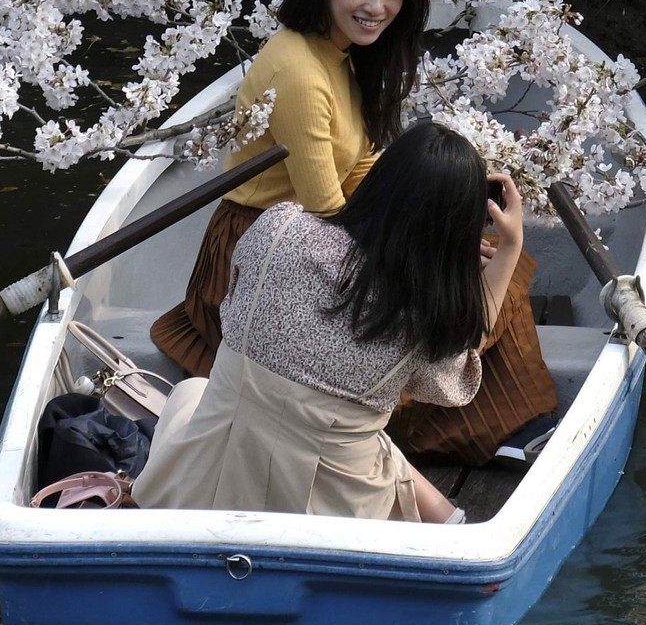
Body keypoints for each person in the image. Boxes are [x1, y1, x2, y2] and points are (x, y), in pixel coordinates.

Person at [150, 0, 557, 466]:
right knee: (483, 281)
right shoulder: (299, 70)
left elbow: (362, 166)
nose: (378, 8)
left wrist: (442, 228)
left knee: (494, 261)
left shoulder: (340, 55)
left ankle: (511, 419)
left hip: (328, 233)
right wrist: (430, 248)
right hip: (282, 253)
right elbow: (326, 208)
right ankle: (488, 425)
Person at [133, 123, 524, 521]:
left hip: (209, 476)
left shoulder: (278, 227)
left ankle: (448, 523)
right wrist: (509, 249)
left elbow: (233, 304)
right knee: (368, 443)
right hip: (325, 511)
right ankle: (452, 527)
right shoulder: (422, 317)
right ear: (453, 230)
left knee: (194, 392)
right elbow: (456, 384)